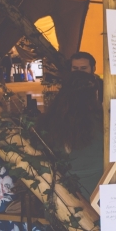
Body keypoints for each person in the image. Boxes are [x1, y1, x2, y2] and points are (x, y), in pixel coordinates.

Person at [40, 72, 103, 202]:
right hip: (98, 194)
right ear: (94, 96)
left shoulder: (50, 123)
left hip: (62, 197)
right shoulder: (101, 124)